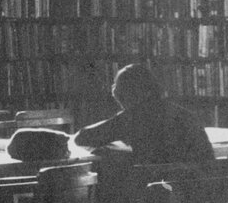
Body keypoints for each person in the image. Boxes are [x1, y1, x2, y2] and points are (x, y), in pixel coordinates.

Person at [73, 64, 216, 171]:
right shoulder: (182, 113)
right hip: (200, 187)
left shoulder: (134, 116)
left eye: (118, 89)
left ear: (127, 92)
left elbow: (83, 137)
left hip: (160, 190)